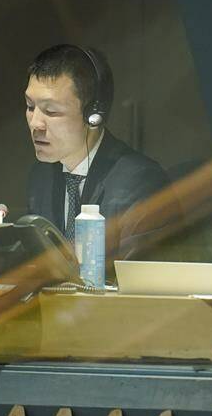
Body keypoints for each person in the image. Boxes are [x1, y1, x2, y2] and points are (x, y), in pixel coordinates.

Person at [24, 44, 172, 259]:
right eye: (30, 107)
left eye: (51, 111)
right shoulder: (41, 177)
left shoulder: (139, 182)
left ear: (93, 116)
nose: (35, 123)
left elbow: (139, 282)